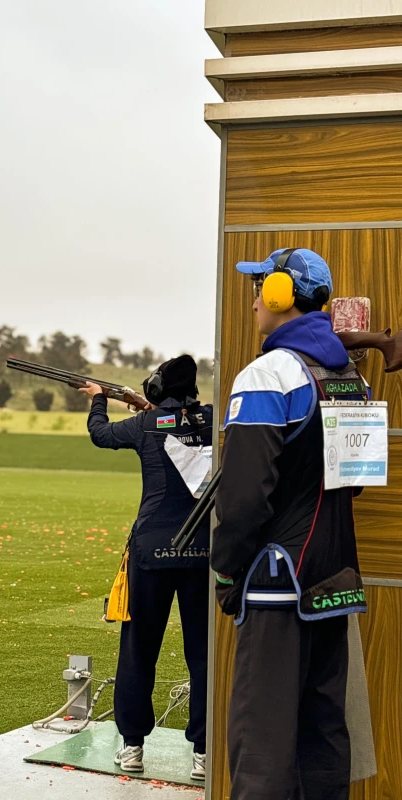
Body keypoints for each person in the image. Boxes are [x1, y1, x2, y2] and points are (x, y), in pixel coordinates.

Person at [210, 248, 369, 800]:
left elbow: (242, 498)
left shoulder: (267, 375)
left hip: (276, 583)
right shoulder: (350, 376)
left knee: (263, 744)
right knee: (323, 737)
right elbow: (355, 480)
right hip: (335, 578)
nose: (254, 301)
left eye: (260, 288)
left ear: (281, 295)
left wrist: (226, 573)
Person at [80, 355, 213, 781]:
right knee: (203, 655)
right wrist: (150, 410)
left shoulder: (145, 425)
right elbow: (182, 424)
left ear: (155, 389)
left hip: (151, 552)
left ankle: (133, 747)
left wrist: (98, 399)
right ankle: (203, 754)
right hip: (203, 552)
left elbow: (100, 434)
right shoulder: (212, 420)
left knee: (139, 652)